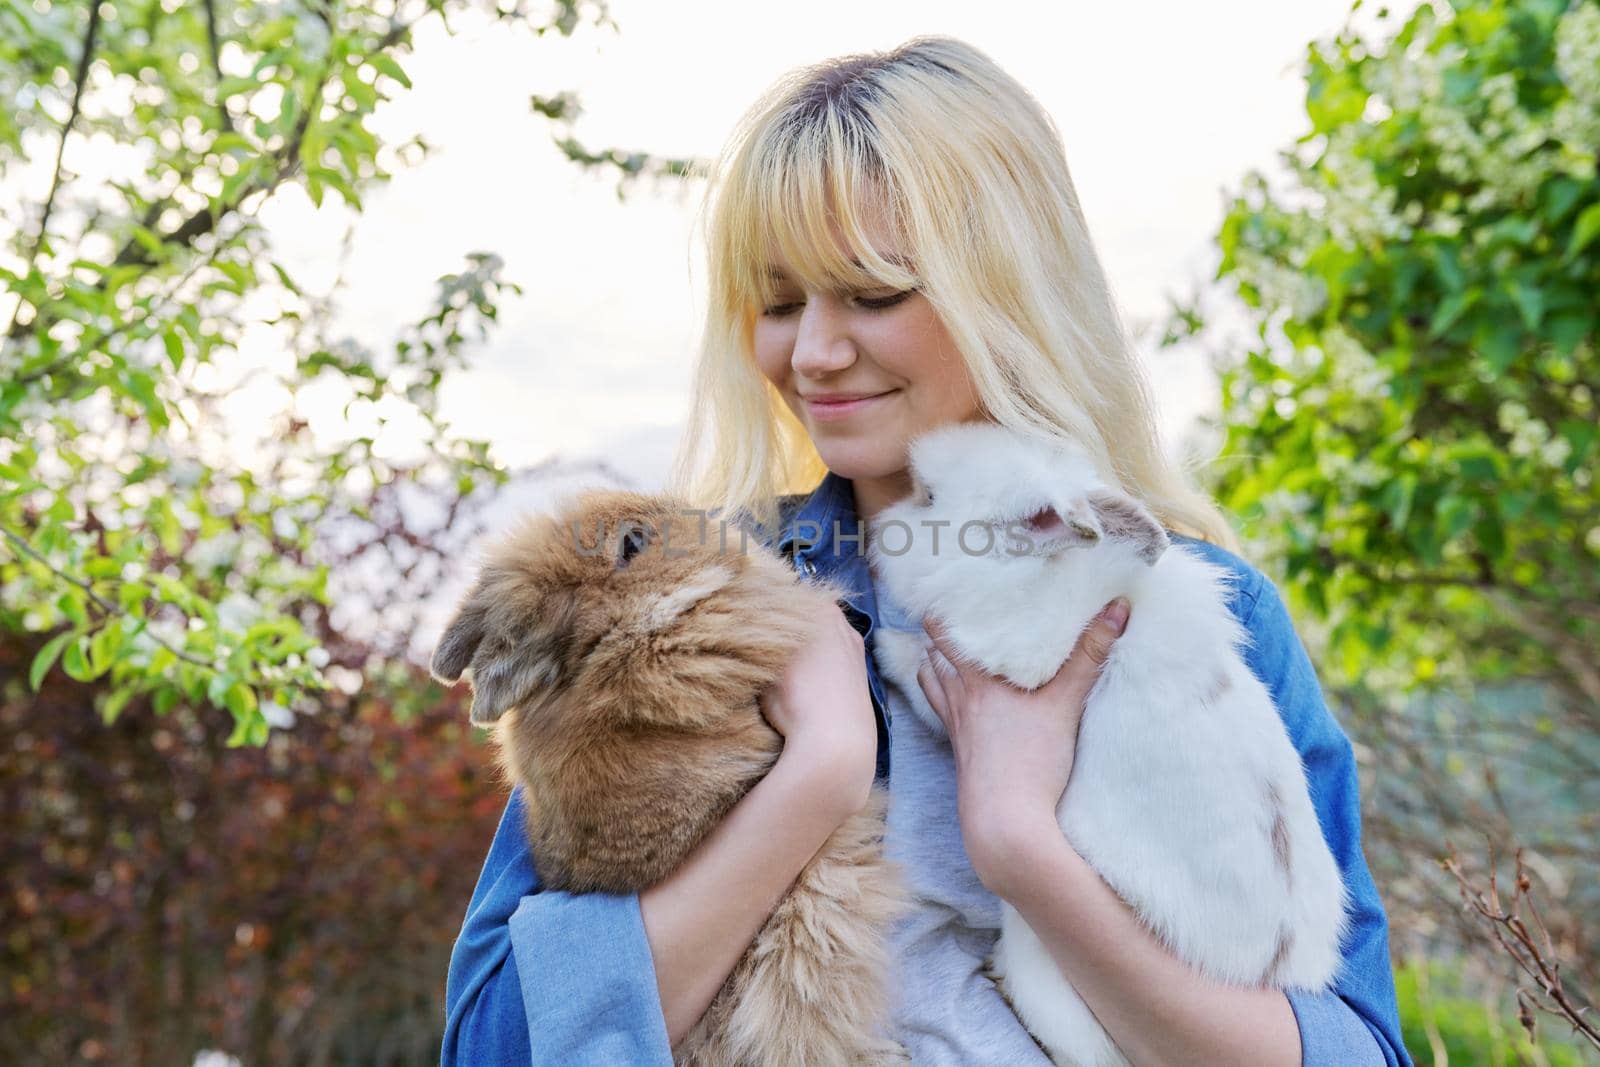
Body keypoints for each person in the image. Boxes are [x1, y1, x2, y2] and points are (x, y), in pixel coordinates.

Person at [441, 35, 1413, 1067]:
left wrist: (1020, 846)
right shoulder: (684, 598)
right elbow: (493, 1043)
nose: (811, 352)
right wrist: (817, 772)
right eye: (777, 304)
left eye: (870, 291)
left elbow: (1351, 1047)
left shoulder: (1185, 603)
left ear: (1005, 288)